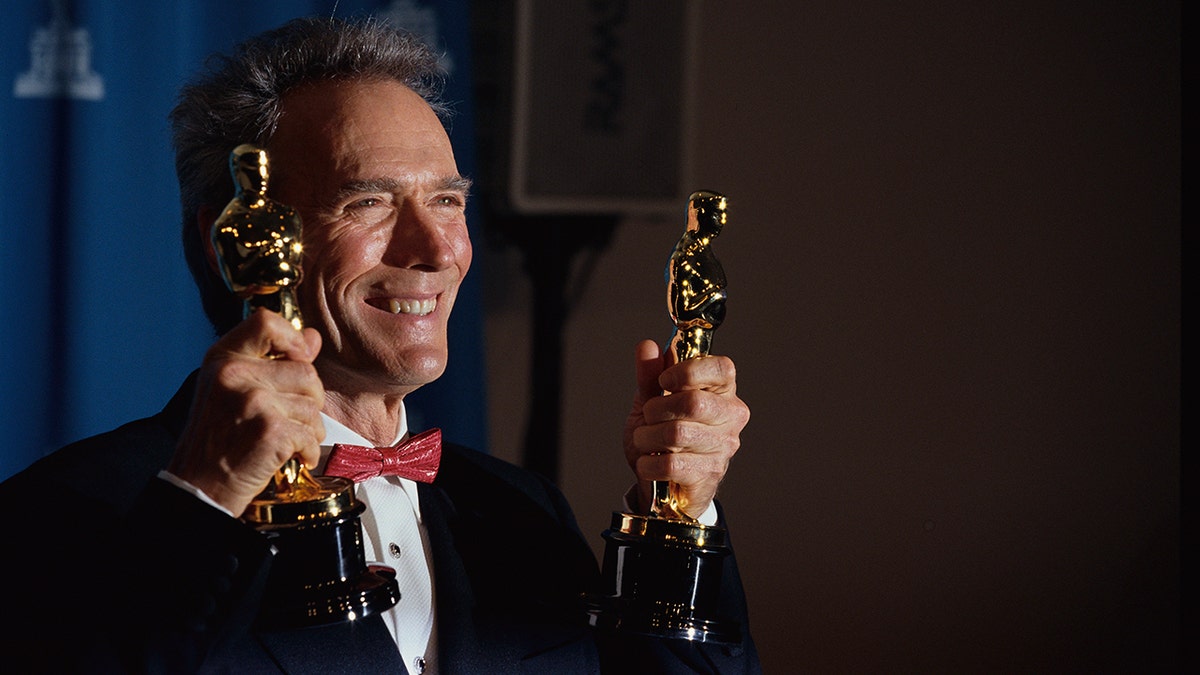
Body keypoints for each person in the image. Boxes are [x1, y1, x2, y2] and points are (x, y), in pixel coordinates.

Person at [0, 17, 758, 674]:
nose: (433, 248)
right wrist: (205, 502)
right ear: (230, 240)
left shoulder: (525, 514)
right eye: (367, 201)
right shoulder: (69, 512)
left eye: (446, 201)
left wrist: (679, 514)